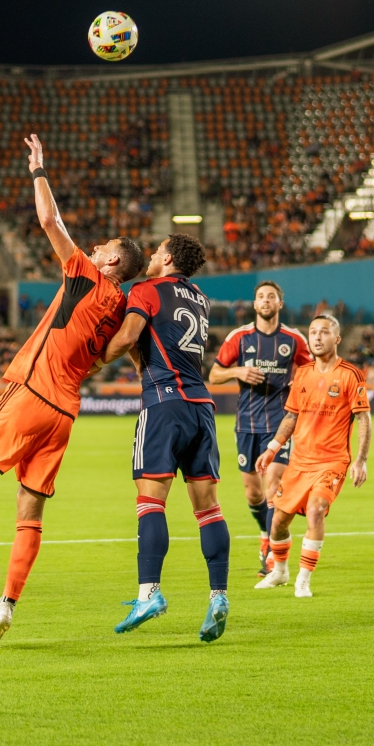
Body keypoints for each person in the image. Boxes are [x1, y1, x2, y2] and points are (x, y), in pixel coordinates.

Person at [0, 133, 144, 647]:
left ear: (111, 264)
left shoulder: (86, 276)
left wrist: (38, 170)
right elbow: (114, 351)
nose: (95, 247)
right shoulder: (119, 311)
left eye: (103, 247)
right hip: (64, 412)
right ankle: (6, 608)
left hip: (32, 392)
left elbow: (49, 222)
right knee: (30, 511)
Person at [102, 234, 232, 642]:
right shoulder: (200, 299)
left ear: (169, 258)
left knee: (150, 501)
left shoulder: (146, 290)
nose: (153, 255)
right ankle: (219, 595)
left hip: (163, 405)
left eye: (158, 250)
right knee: (208, 508)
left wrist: (91, 362)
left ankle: (149, 594)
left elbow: (128, 338)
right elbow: (154, 345)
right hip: (202, 408)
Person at [254, 313, 371, 598]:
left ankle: (303, 580)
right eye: (313, 331)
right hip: (299, 461)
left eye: (324, 332)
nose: (317, 337)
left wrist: (361, 459)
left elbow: (364, 418)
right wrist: (272, 448)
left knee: (316, 511)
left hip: (332, 461)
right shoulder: (303, 373)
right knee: (278, 522)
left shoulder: (350, 374)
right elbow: (291, 416)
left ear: (337, 338)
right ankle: (280, 572)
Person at [208, 281, 310, 576]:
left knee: (273, 485)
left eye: (271, 297)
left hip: (280, 423)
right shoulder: (239, 337)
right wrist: (237, 371)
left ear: (280, 303)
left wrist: (300, 383)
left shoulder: (294, 339)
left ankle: (274, 555)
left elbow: (311, 370)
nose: (266, 301)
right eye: (261, 297)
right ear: (254, 305)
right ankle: (266, 533)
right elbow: (214, 374)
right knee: (254, 493)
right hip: (247, 424)